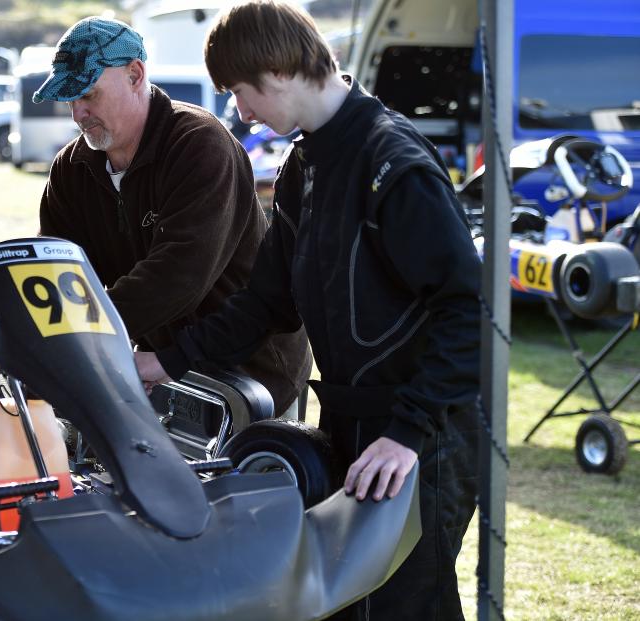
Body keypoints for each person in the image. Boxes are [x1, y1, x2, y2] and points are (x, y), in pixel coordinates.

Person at [136, 2, 480, 619]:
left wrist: (408, 433)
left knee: (406, 606)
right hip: (351, 426)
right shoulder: (305, 165)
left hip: (421, 437)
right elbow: (267, 301)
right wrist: (162, 361)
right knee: (341, 603)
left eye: (240, 93)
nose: (240, 112)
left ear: (279, 70)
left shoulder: (392, 164)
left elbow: (468, 309)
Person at [34, 17, 312, 417]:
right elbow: (57, 268)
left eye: (89, 95)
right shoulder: (70, 169)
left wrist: (79, 341)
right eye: (69, 99)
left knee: (249, 478)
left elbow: (179, 273)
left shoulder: (200, 143)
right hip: (160, 373)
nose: (79, 113)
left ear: (135, 75)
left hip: (252, 377)